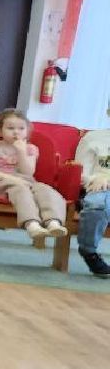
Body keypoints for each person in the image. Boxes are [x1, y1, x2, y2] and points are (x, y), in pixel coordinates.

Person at [0, 108, 68, 240]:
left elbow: (28, 172)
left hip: (27, 181)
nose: (16, 132)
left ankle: (53, 222)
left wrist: (21, 152)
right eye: (10, 128)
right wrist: (15, 180)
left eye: (21, 128)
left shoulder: (31, 149)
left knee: (45, 189)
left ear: (27, 131)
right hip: (1, 183)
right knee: (21, 190)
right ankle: (32, 224)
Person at [75, 118, 110, 277]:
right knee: (97, 206)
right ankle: (89, 252)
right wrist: (95, 179)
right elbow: (80, 172)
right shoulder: (93, 138)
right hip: (100, 188)